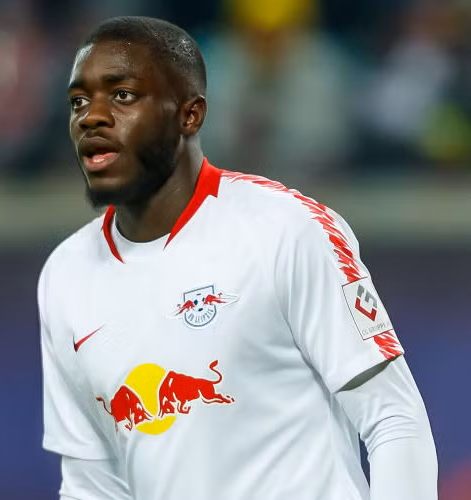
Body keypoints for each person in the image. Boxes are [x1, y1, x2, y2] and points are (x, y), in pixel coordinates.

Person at [38, 16, 438, 500]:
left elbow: (394, 419)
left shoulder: (286, 229)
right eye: (78, 102)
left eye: (122, 95)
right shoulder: (66, 274)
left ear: (190, 115)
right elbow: (92, 483)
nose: (91, 117)